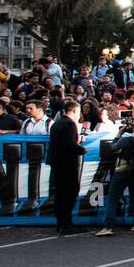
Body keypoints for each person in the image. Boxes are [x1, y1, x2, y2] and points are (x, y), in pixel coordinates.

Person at [95, 114, 134, 236]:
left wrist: (119, 134)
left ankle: (109, 226)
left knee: (113, 197)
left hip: (123, 170)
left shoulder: (126, 140)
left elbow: (112, 148)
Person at [48, 98, 87, 235]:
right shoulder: (70, 124)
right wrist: (81, 149)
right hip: (67, 163)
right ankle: (66, 223)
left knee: (60, 193)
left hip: (56, 162)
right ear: (75, 110)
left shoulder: (56, 123)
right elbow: (68, 144)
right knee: (70, 192)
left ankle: (61, 222)